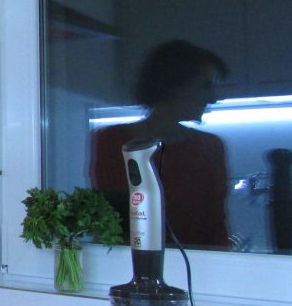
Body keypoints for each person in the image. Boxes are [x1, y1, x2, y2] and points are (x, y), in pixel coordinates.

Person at [90, 39, 231, 250]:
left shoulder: (211, 147)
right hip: (131, 263)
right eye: (205, 85)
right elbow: (113, 221)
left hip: (198, 264)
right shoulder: (114, 141)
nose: (213, 98)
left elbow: (217, 227)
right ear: (175, 87)